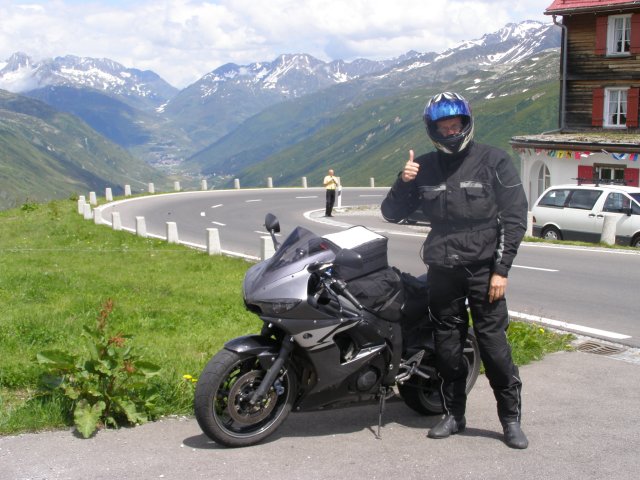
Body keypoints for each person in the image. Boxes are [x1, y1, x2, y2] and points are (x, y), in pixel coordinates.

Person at [381, 92, 529, 449]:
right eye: (443, 127)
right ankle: (453, 415)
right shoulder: (424, 167)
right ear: (433, 130)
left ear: (466, 123)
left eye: (455, 125)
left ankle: (511, 420)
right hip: (442, 269)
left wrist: (501, 270)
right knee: (447, 348)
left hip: (484, 270)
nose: (450, 132)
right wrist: (404, 180)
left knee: (493, 347)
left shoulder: (494, 160)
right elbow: (391, 213)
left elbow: (514, 217)